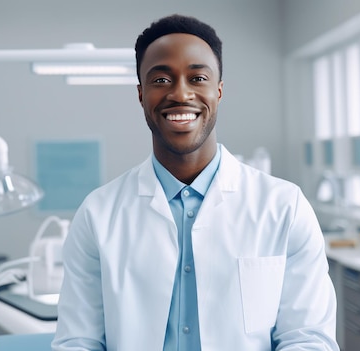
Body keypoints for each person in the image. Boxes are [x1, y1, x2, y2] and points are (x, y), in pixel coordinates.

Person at [52, 14, 339, 351]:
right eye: (161, 80)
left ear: (218, 91)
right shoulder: (97, 214)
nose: (181, 93)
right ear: (141, 94)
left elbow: (307, 339)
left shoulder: (284, 207)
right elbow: (78, 342)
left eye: (197, 77)